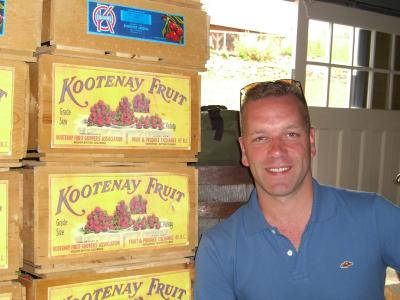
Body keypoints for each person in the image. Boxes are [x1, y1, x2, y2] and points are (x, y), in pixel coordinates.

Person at [194, 79, 400, 300]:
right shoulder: (218, 249)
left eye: (290, 134)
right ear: (244, 151)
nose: (277, 151)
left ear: (311, 141)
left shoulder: (374, 216)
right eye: (261, 138)